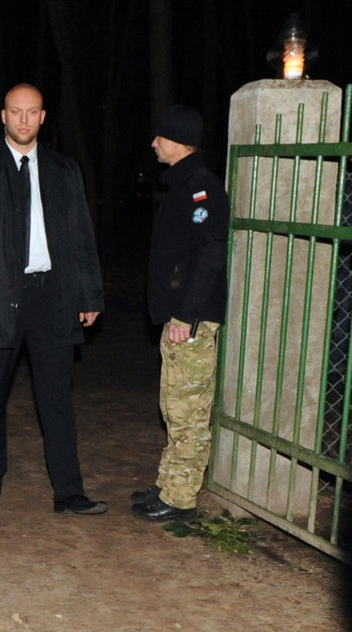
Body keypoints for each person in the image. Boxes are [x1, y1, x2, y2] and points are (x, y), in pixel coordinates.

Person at [0, 83, 106, 515]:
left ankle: (69, 490)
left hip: (53, 296)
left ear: (43, 117)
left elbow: (82, 236)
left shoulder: (64, 169)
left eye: (32, 112)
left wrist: (89, 291)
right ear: (3, 116)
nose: (23, 120)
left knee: (57, 397)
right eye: (15, 112)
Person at [131, 105, 229, 523]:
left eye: (160, 137)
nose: (154, 143)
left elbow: (210, 252)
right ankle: (169, 485)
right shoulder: (185, 184)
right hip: (179, 318)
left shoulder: (201, 186)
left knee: (188, 410)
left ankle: (182, 498)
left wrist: (186, 314)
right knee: (174, 406)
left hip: (191, 320)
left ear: (178, 141)